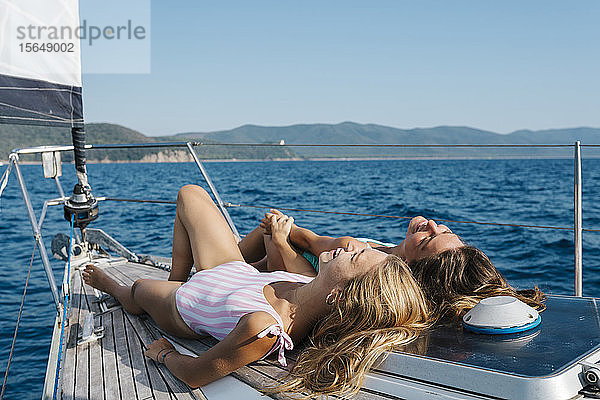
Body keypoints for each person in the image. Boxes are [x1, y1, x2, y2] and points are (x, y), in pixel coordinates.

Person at [82, 185, 432, 398]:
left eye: (355, 257)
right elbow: (277, 253)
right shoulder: (310, 282)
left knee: (138, 291)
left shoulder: (263, 329)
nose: (351, 246)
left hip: (185, 308)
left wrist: (164, 355)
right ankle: (178, 274)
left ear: (341, 297)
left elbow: (194, 374)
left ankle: (114, 285)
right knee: (190, 195)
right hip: (228, 271)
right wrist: (277, 235)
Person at [240, 210, 545, 321]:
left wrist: (282, 236)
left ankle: (227, 264)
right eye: (444, 230)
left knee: (269, 227)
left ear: (411, 264)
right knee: (267, 240)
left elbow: (307, 246)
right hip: (294, 267)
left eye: (427, 239)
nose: (431, 224)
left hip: (294, 272)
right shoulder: (382, 268)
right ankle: (242, 260)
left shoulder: (355, 252)